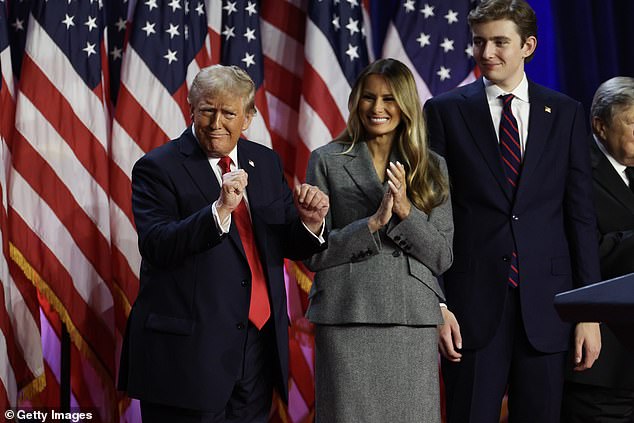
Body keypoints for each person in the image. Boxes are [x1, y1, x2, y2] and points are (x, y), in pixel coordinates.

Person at [118, 64, 329, 423]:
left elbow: (283, 241)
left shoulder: (263, 161)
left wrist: (310, 221)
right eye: (207, 110)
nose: (217, 122)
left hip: (256, 349)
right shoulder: (157, 167)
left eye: (229, 113)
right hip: (188, 356)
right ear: (191, 109)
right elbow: (156, 244)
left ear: (248, 118)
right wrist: (219, 211)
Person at [423, 0, 602, 422]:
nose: (487, 53)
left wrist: (588, 312)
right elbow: (431, 216)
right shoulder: (445, 111)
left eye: (500, 42)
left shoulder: (564, 112)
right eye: (479, 42)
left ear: (528, 45)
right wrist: (438, 303)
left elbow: (580, 216)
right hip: (470, 308)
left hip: (549, 307)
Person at [304, 58, 454, 423]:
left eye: (388, 98)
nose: (377, 108)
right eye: (368, 97)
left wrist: (405, 211)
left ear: (404, 104)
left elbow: (441, 256)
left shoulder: (431, 166)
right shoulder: (326, 160)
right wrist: (371, 224)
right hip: (347, 314)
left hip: (410, 321)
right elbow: (314, 255)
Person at [561, 76, 634, 422]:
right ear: (600, 126)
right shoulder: (575, 172)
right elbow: (585, 251)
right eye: (632, 121)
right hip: (604, 366)